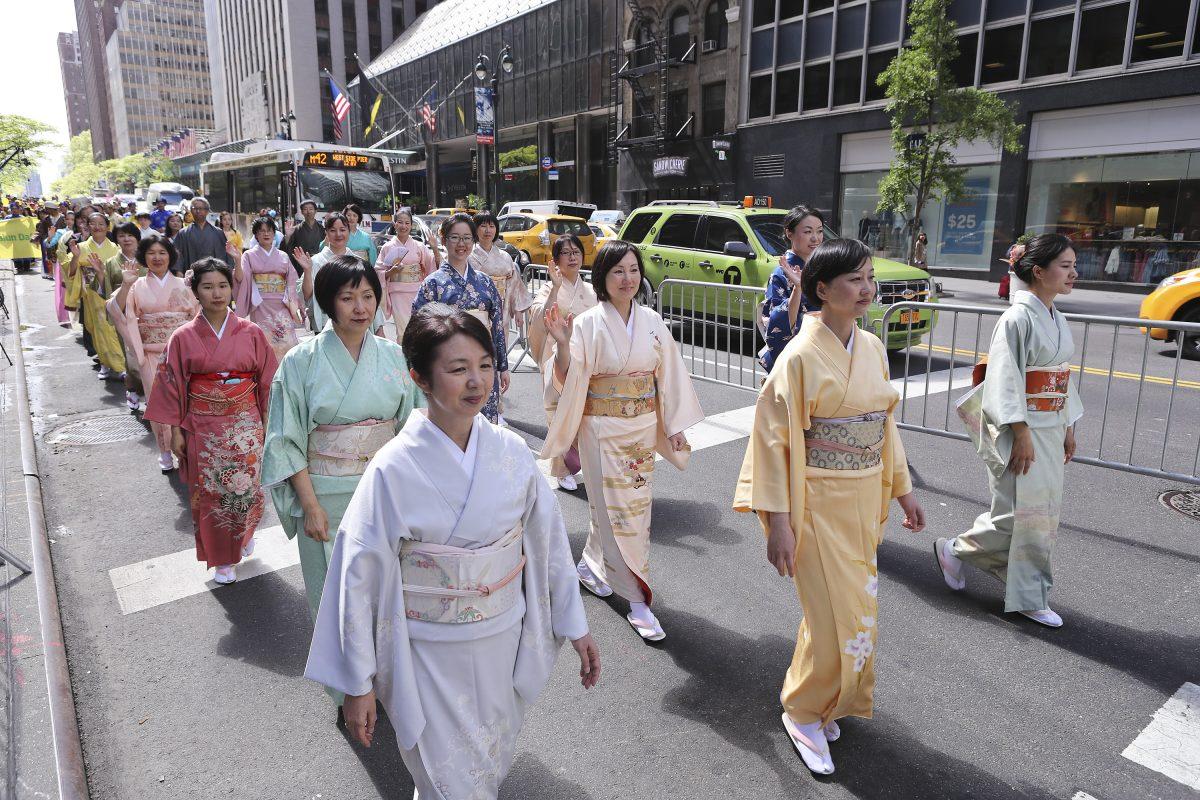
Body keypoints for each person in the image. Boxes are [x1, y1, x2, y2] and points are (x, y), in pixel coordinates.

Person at [304, 304, 600, 799]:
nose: (476, 382)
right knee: (450, 780)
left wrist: (575, 624)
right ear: (418, 376)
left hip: (503, 637)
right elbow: (358, 573)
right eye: (458, 369)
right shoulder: (392, 469)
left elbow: (547, 542)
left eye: (484, 365)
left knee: (485, 764)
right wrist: (357, 682)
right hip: (428, 651)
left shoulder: (509, 453)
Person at [733, 238, 926, 775]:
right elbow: (771, 446)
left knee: (854, 611)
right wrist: (777, 525)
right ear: (822, 290)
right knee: (834, 614)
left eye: (869, 278)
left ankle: (822, 699)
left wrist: (903, 489)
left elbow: (883, 425)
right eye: (855, 280)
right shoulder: (796, 358)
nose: (867, 289)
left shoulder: (871, 346)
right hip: (814, 503)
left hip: (862, 500)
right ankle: (802, 711)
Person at [262, 256, 424, 682]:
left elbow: (413, 431)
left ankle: (389, 681)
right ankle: (346, 683)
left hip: (385, 493)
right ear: (328, 303)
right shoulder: (300, 361)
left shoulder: (393, 356)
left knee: (389, 590)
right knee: (333, 594)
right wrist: (308, 504)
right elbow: (285, 438)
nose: (360, 307)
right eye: (348, 297)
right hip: (325, 495)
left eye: (368, 296)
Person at [540, 240, 704, 642]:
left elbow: (668, 377)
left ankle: (591, 566)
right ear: (604, 277)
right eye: (618, 271)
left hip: (642, 429)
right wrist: (561, 344)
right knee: (616, 511)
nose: (627, 279)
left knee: (631, 509)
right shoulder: (590, 322)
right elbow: (568, 377)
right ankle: (638, 601)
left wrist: (673, 424)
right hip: (600, 430)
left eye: (633, 270)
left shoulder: (651, 320)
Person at [936, 234, 1082, 628]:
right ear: (1039, 271)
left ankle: (957, 550)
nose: (1074, 273)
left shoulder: (1055, 317)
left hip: (1050, 428)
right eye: (1065, 266)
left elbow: (1061, 377)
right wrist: (1020, 432)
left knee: (1041, 513)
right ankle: (1023, 591)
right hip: (1024, 429)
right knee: (1019, 514)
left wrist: (1069, 425)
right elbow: (1005, 379)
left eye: (1073, 266)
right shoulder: (1016, 318)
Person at [144, 258, 279, 584]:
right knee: (212, 494)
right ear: (196, 291)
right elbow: (171, 384)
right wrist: (175, 430)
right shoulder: (183, 336)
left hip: (245, 425)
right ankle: (223, 561)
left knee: (246, 490)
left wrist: (268, 423)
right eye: (208, 287)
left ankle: (244, 536)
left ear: (232, 288)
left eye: (222, 285)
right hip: (203, 428)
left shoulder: (251, 332)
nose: (217, 293)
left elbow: (267, 381)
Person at [107, 234, 199, 472]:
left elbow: (198, 315)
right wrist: (126, 284)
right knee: (159, 403)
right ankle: (165, 451)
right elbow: (116, 311)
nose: (157, 258)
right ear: (143, 257)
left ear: (171, 256)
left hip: (184, 353)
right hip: (151, 354)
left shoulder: (183, 285)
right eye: (151, 253)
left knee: (187, 400)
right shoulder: (136, 285)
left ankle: (188, 447)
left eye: (162, 253)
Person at [411, 213, 509, 424]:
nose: (461, 243)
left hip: (483, 362)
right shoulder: (433, 283)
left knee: (485, 423)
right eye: (455, 237)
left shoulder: (484, 282)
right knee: (453, 421)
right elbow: (417, 329)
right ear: (444, 239)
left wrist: (502, 366)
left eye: (467, 238)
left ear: (473, 241)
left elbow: (497, 326)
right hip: (449, 363)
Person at [527, 234, 597, 491]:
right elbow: (538, 316)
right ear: (555, 261)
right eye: (566, 253)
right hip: (556, 357)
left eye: (576, 252)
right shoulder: (549, 289)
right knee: (558, 413)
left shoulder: (591, 290)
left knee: (584, 413)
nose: (572, 257)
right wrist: (555, 287)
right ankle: (562, 468)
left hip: (583, 360)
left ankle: (584, 462)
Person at [759, 205, 825, 373]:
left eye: (819, 231)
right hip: (799, 351)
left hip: (827, 346)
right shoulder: (781, 274)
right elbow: (777, 320)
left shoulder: (824, 267)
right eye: (808, 232)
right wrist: (798, 288)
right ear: (789, 233)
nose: (815, 238)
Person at [297, 213, 386, 335]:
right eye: (333, 230)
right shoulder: (316, 261)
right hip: (326, 322)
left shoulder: (358, 261)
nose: (338, 234)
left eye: (342, 230)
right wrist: (307, 271)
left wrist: (379, 328)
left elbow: (370, 294)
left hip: (354, 318)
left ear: (349, 231)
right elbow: (307, 296)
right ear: (326, 233)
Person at [232, 216, 302, 361]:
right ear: (256, 235)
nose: (266, 234)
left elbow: (292, 281)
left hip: (282, 305)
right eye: (261, 231)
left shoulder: (282, 255)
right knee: (264, 344)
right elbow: (241, 279)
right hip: (260, 305)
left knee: (287, 343)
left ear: (274, 233)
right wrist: (237, 261)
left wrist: (293, 304)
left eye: (269, 230)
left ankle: (286, 374)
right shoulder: (249, 255)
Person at [70, 213, 125, 380]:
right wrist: (76, 257)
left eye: (101, 223)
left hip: (111, 292)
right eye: (93, 224)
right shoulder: (81, 247)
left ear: (107, 226)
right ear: (88, 226)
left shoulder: (116, 248)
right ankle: (104, 363)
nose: (97, 227)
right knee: (97, 330)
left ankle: (121, 365)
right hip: (91, 294)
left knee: (113, 329)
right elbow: (72, 272)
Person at [101, 222, 148, 409]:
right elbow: (105, 291)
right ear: (116, 239)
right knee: (131, 357)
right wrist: (99, 273)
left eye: (130, 235)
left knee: (148, 355)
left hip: (147, 314)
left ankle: (148, 390)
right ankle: (133, 388)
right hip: (124, 316)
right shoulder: (111, 263)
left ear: (137, 237)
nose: (126, 239)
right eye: (121, 235)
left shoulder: (147, 259)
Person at [374, 209, 436, 341]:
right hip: (397, 292)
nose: (403, 226)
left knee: (418, 326)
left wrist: (435, 249)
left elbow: (432, 266)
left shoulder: (419, 246)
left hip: (417, 291)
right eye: (400, 222)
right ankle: (402, 357)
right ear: (394, 224)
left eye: (407, 223)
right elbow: (378, 271)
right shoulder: (387, 247)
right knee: (403, 329)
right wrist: (391, 272)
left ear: (411, 225)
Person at [469, 210, 532, 336]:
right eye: (483, 226)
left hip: (502, 308)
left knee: (501, 349)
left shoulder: (505, 256)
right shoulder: (468, 256)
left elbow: (514, 284)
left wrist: (518, 310)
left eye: (492, 226)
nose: (488, 230)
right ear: (475, 229)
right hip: (477, 310)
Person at [174, 198, 234, 273]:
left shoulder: (218, 233)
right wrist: (179, 273)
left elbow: (226, 257)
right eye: (195, 208)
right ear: (191, 211)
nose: (198, 211)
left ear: (207, 211)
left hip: (214, 276)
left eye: (201, 208)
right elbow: (177, 256)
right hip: (191, 277)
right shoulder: (183, 233)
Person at [282, 200, 323, 279]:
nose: (308, 211)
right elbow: (287, 248)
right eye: (305, 209)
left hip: (319, 264)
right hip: (301, 266)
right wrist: (288, 236)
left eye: (311, 209)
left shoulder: (322, 229)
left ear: (315, 211)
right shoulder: (296, 229)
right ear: (301, 212)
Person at [340, 203, 377, 267]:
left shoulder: (366, 236)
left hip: (363, 269)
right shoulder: (339, 235)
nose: (351, 218)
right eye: (348, 215)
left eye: (355, 215)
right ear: (344, 216)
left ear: (358, 218)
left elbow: (373, 256)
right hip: (344, 269)